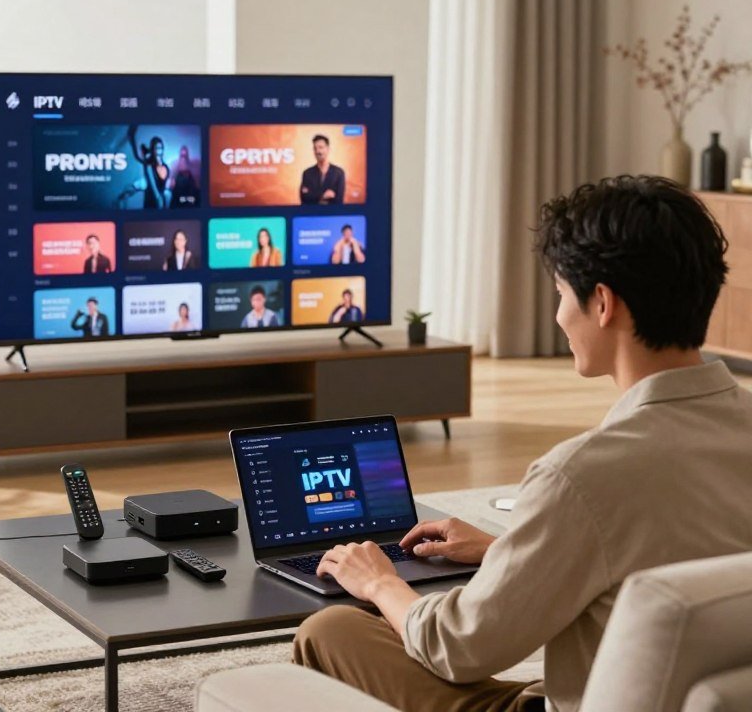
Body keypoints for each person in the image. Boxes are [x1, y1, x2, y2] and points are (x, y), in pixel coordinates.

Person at [292, 176, 752, 712]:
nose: (559, 316)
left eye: (560, 294)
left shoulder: (580, 476)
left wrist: (380, 584)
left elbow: (460, 646)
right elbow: (691, 559)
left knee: (331, 629)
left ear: (602, 303)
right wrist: (505, 553)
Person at [129, 128, 171, 209]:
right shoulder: (149, 164)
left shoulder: (165, 166)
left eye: (161, 148)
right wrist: (158, 197)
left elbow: (165, 184)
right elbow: (152, 183)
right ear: (153, 150)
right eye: (157, 148)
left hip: (161, 199)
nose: (159, 151)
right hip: (151, 198)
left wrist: (162, 197)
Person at [299, 134, 346, 205]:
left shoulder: (339, 173)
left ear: (328, 149)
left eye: (321, 147)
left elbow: (339, 200)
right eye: (315, 148)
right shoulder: (307, 173)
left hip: (332, 214)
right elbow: (304, 198)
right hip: (312, 214)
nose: (318, 151)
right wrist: (323, 196)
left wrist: (314, 196)